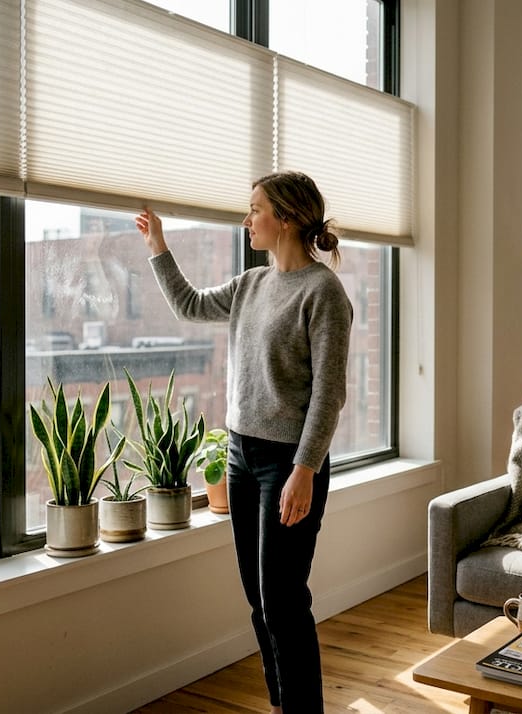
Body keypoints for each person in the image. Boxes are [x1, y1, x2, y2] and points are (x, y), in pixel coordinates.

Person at [135, 171, 353, 713]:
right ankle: (281, 703)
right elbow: (187, 305)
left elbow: (328, 395)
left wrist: (305, 469)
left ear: (286, 218)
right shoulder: (251, 284)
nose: (246, 218)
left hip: (289, 464)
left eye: (254, 209)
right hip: (240, 455)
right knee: (259, 599)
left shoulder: (323, 292)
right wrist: (158, 245)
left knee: (283, 601)